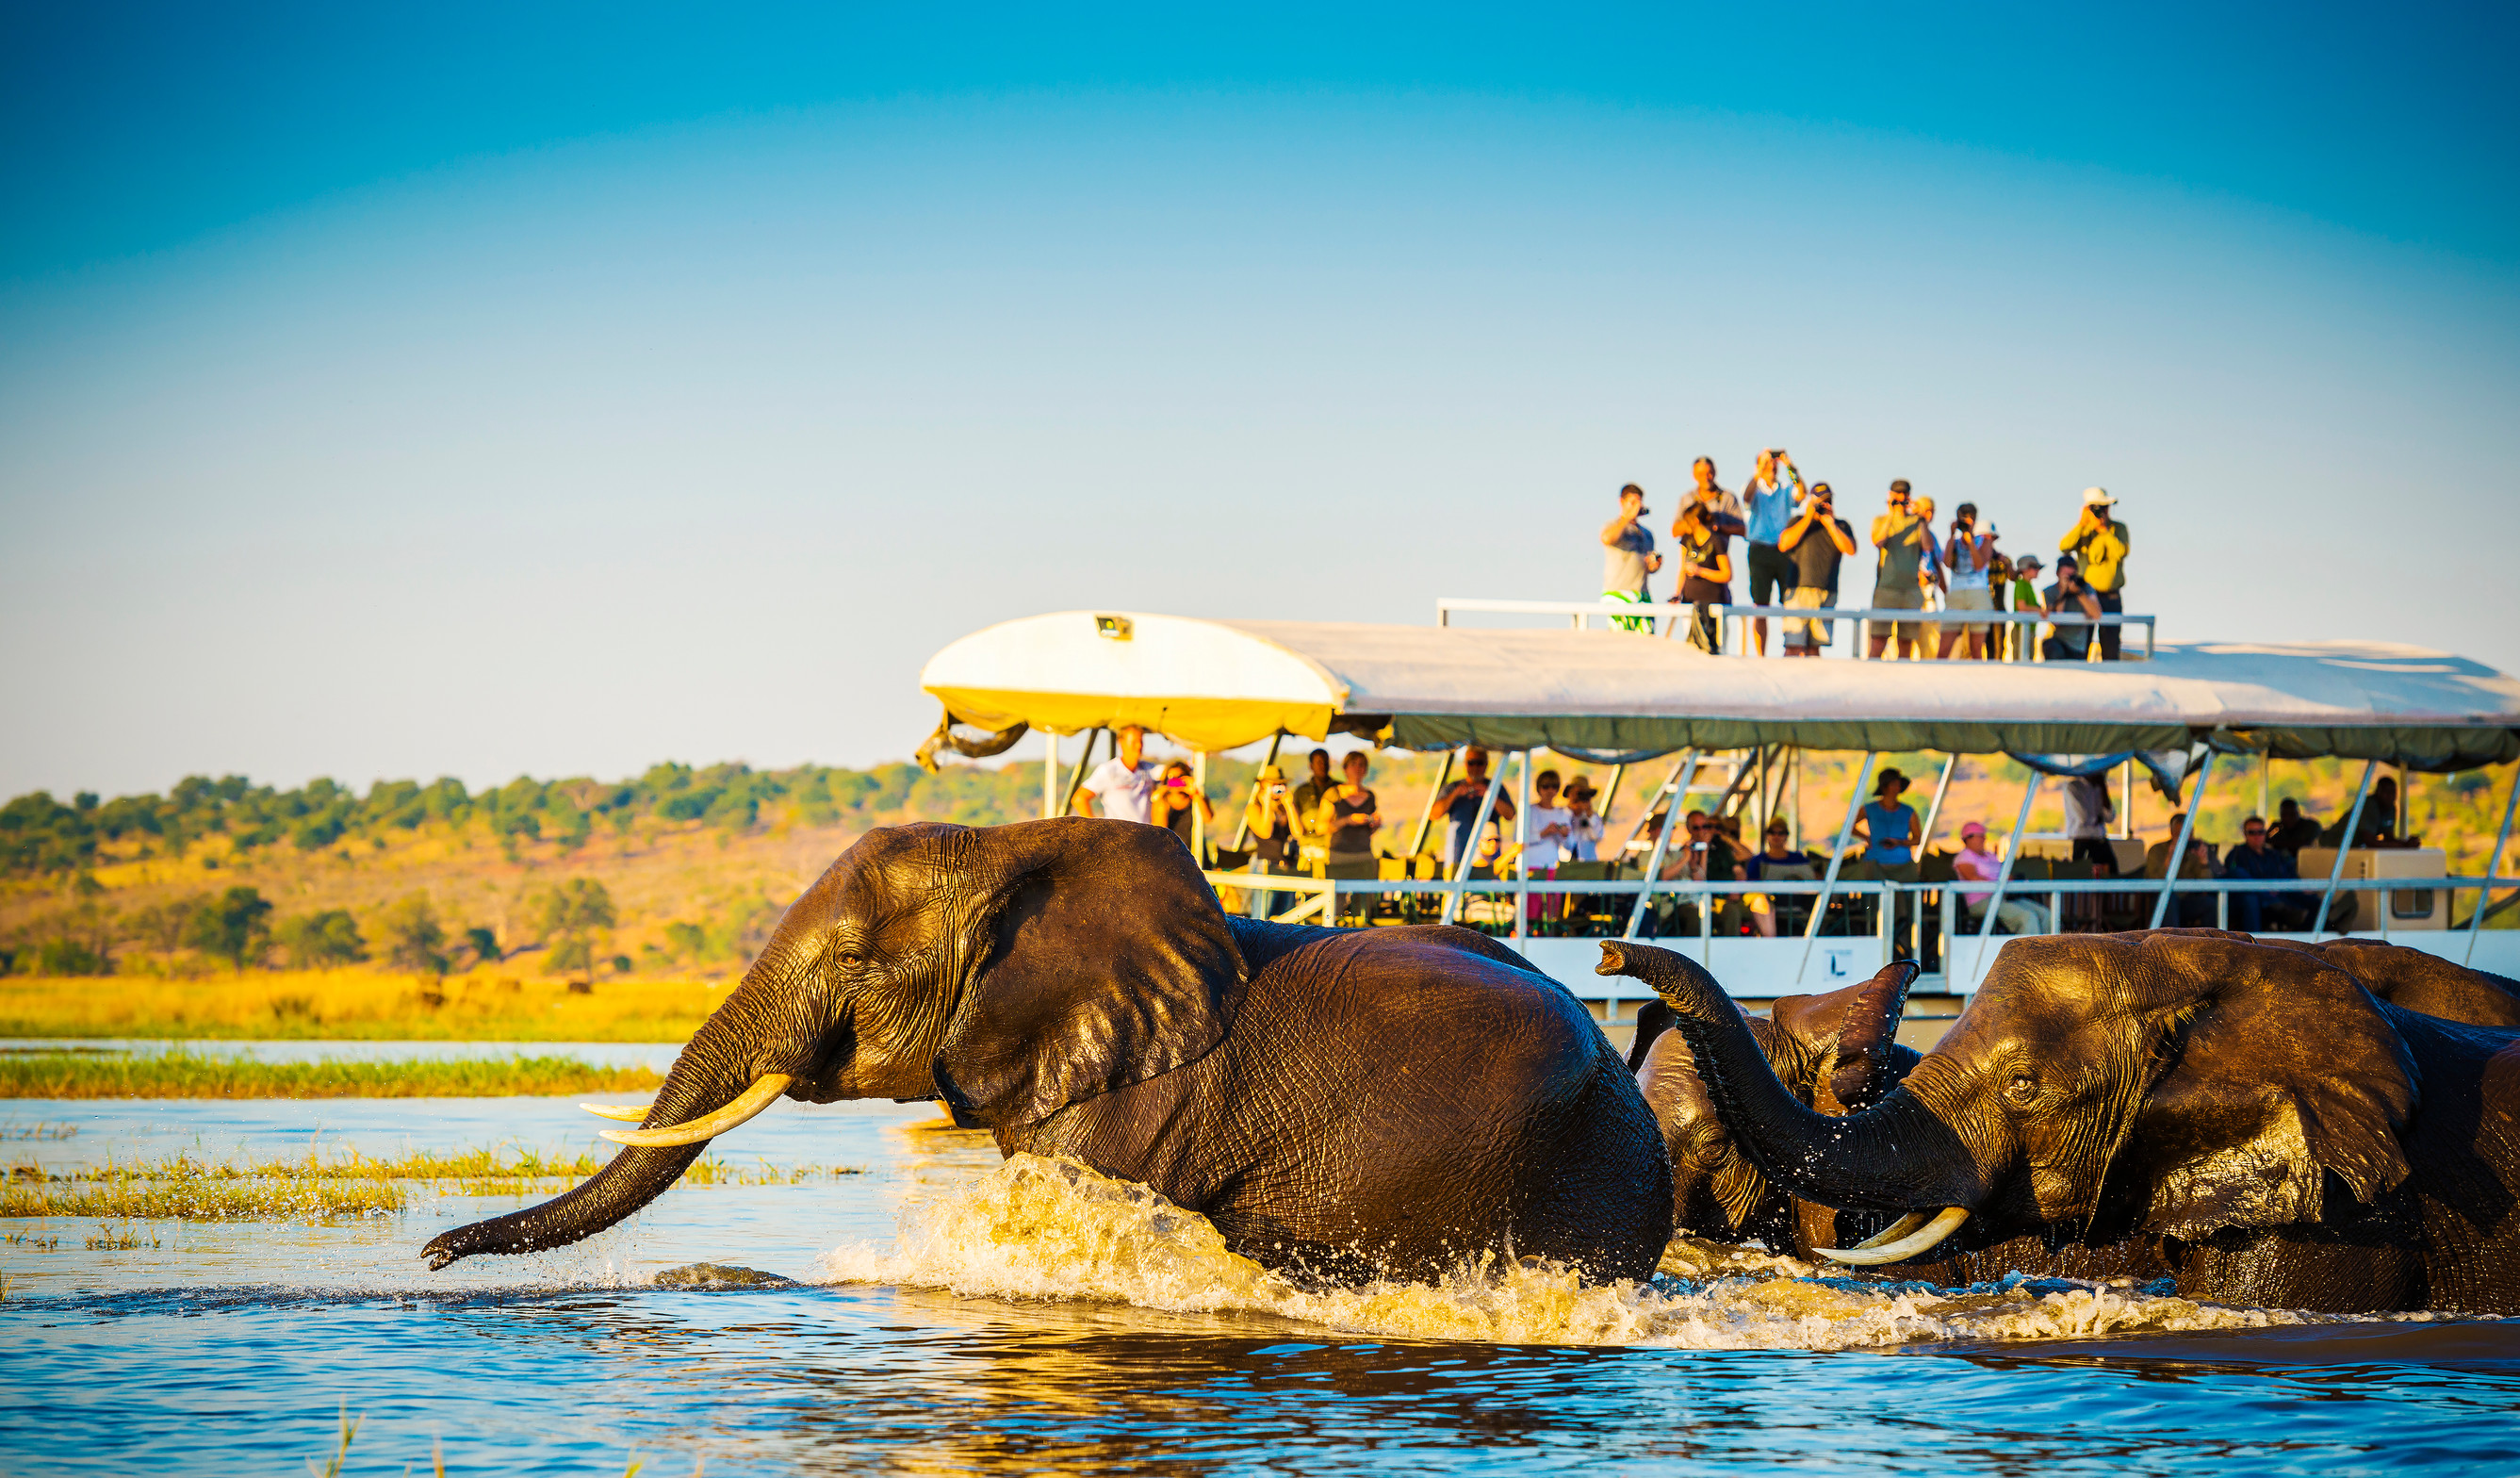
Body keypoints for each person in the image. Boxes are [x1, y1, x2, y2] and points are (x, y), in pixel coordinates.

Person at [1739, 449, 1805, 655]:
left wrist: (1789, 466)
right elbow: (1746, 497)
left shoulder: (1785, 488)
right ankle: (1761, 655)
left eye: (1773, 465)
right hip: (1759, 551)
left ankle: (1791, 648)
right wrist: (1760, 469)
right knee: (1760, 605)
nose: (1771, 468)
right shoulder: (1754, 487)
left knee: (1789, 602)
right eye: (1767, 464)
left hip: (1784, 552)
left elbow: (1801, 493)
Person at [1779, 482, 1857, 657]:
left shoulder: (1841, 525)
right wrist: (1808, 517)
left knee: (1815, 648)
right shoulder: (1797, 521)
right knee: (1793, 646)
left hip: (1826, 592)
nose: (1824, 504)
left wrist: (1830, 524)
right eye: (1820, 501)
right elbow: (1783, 543)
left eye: (1827, 500)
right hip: (1798, 592)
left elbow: (1850, 550)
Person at [2060, 487, 2130, 660]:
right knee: (2081, 644)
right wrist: (2082, 524)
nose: (2102, 512)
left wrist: (2105, 530)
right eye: (2097, 508)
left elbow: (2121, 551)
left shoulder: (2118, 528)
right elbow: (2064, 547)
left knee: (2111, 645)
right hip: (2087, 597)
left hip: (2111, 597)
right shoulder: (2084, 531)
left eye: (2105, 507)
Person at [1867, 481, 1929, 659]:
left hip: (1910, 590)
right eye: (1897, 494)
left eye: (1904, 494)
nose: (1901, 498)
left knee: (1905, 641)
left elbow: (1927, 546)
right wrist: (1891, 513)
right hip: (1886, 588)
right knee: (1879, 640)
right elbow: (1877, 541)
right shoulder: (1880, 520)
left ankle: (1903, 682)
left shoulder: (1917, 522)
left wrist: (1922, 520)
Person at [1954, 819, 2050, 934]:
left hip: (2004, 896)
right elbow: (1973, 877)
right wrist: (2000, 882)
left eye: (1984, 835)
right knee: (2027, 917)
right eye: (1980, 836)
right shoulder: (1964, 857)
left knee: (2046, 915)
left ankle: (2048, 950)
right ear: (1968, 838)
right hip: (1982, 901)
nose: (1984, 839)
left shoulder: (1990, 855)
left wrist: (2012, 879)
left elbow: (2003, 874)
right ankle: (2027, 951)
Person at [1319, 750, 1383, 923]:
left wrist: (1375, 824)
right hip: (1339, 857)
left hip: (1363, 856)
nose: (1358, 768)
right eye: (1353, 764)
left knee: (1364, 905)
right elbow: (1320, 826)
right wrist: (1347, 820)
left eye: (1362, 764)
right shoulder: (1334, 793)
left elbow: (1369, 832)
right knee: (1335, 904)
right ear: (1345, 768)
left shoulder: (1370, 796)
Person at [2225, 814, 2316, 931]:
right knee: (2250, 897)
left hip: (2282, 895)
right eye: (2252, 832)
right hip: (2258, 901)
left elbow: (2288, 874)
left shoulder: (2274, 855)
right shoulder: (2237, 854)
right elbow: (2234, 878)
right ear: (2245, 834)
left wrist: (2300, 887)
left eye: (2261, 832)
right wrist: (2266, 890)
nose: (2257, 836)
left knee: (2313, 901)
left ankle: (2318, 939)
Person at [1672, 484, 1733, 653]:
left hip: (1715, 603)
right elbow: (1681, 569)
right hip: (1690, 601)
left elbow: (1727, 574)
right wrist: (1677, 594)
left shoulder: (1716, 541)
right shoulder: (1686, 540)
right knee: (1691, 650)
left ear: (1696, 521)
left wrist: (1700, 572)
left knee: (1717, 650)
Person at [1240, 764, 1307, 919]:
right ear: (1263, 785)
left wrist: (1289, 805)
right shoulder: (1254, 808)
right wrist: (1267, 804)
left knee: (1286, 918)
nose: (1277, 788)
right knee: (1262, 915)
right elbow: (1265, 832)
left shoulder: (1285, 807)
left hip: (1286, 866)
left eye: (1280, 784)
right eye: (1273, 784)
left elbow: (1298, 832)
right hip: (1264, 865)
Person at [1598, 483, 1662, 633]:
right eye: (1632, 503)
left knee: (1646, 642)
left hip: (1642, 594)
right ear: (1621, 502)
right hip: (1617, 593)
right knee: (1620, 643)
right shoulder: (1613, 525)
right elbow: (1607, 538)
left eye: (1639, 503)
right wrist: (1626, 518)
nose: (1637, 507)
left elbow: (1648, 566)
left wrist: (1654, 566)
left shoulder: (1647, 534)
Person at [1436, 748, 1514, 870]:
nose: (1475, 767)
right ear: (1465, 764)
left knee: (1488, 885)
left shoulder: (1495, 787)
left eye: (1480, 763)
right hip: (1459, 852)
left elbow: (1510, 815)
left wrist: (1489, 795)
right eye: (1471, 763)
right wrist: (1455, 794)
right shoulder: (1453, 787)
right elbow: (1434, 814)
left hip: (1488, 857)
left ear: (1486, 764)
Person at [1939, 503, 1997, 660]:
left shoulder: (1984, 540)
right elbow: (1947, 563)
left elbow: (1980, 564)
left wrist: (1970, 542)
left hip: (1978, 594)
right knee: (1943, 649)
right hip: (1956, 593)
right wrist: (1951, 536)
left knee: (1976, 649)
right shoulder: (1954, 542)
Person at [1743, 818, 1820, 937]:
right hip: (1771, 904)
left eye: (1781, 833)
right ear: (1767, 835)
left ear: (1786, 836)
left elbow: (1816, 878)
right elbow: (1752, 884)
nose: (1776, 836)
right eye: (1772, 832)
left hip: (1800, 906)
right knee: (1763, 906)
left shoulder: (1799, 858)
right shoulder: (1758, 860)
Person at [2143, 812, 2217, 927]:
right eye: (2180, 835)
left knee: (2210, 904)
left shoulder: (2195, 851)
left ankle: (2210, 942)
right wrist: (2170, 858)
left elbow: (2206, 885)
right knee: (2169, 899)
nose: (2185, 839)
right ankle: (2172, 942)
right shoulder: (2157, 850)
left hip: (2188, 900)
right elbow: (2154, 881)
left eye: (2189, 834)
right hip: (2163, 900)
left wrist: (2203, 862)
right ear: (2172, 833)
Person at [1073, 725, 1157, 822]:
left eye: (1141, 741)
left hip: (1146, 835)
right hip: (1118, 835)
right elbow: (1079, 798)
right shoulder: (1108, 770)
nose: (1139, 746)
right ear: (1121, 743)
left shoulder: (1150, 769)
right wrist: (1095, 829)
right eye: (1134, 742)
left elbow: (1172, 778)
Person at [1522, 768, 1574, 923]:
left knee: (1550, 918)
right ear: (1539, 788)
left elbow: (1569, 846)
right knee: (1530, 916)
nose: (1549, 790)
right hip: (1530, 868)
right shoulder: (1529, 810)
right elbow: (1518, 840)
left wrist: (1564, 835)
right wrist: (1542, 834)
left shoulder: (1562, 813)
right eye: (1545, 786)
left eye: (1554, 786)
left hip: (1552, 868)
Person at [2041, 554, 2103, 662]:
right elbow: (2057, 622)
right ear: (2057, 574)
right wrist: (2063, 593)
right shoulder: (2049, 592)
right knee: (2053, 651)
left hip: (2078, 647)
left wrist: (2079, 593)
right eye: (2065, 575)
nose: (2069, 579)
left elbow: (2096, 614)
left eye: (2071, 575)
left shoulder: (2085, 588)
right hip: (2057, 642)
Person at [1150, 759, 1214, 857]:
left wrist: (1195, 794)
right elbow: (1160, 830)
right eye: (1171, 777)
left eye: (1180, 777)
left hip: (1196, 852)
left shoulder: (1196, 798)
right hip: (1173, 854)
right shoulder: (1162, 801)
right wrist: (1163, 795)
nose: (1176, 780)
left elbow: (1208, 818)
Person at [2062, 770, 2119, 876]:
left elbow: (2110, 817)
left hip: (2100, 840)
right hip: (2083, 841)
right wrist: (2097, 818)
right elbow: (2083, 817)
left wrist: (2103, 789)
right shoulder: (2073, 786)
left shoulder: (2098, 788)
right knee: (2081, 876)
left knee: (2112, 873)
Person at [1909, 495, 1946, 659]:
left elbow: (1939, 564)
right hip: (1909, 591)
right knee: (1906, 638)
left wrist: (1946, 592)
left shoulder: (1933, 537)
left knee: (1931, 640)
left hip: (1929, 592)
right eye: (1926, 511)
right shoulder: (1907, 531)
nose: (1929, 516)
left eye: (1932, 512)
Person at [2320, 778, 2402, 847]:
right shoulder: (2369, 805)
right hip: (2331, 845)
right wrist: (2400, 846)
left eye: (2393, 792)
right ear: (2378, 792)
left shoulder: (2391, 808)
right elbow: (2369, 841)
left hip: (2351, 848)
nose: (2390, 796)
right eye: (2387, 792)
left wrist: (2405, 843)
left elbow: (2389, 838)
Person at [2005, 554, 2045, 661]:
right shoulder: (2021, 584)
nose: (2038, 570)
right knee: (2020, 663)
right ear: (2025, 569)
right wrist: (2039, 610)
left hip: (2029, 630)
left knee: (2029, 661)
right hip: (2021, 630)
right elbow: (2021, 607)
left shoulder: (2027, 585)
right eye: (2034, 567)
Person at [1562, 780, 1606, 862]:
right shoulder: (1562, 814)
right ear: (1569, 794)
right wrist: (1571, 810)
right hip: (1565, 864)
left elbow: (1598, 836)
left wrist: (1590, 815)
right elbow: (1566, 843)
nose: (1579, 798)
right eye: (1577, 794)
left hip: (1588, 864)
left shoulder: (1593, 816)